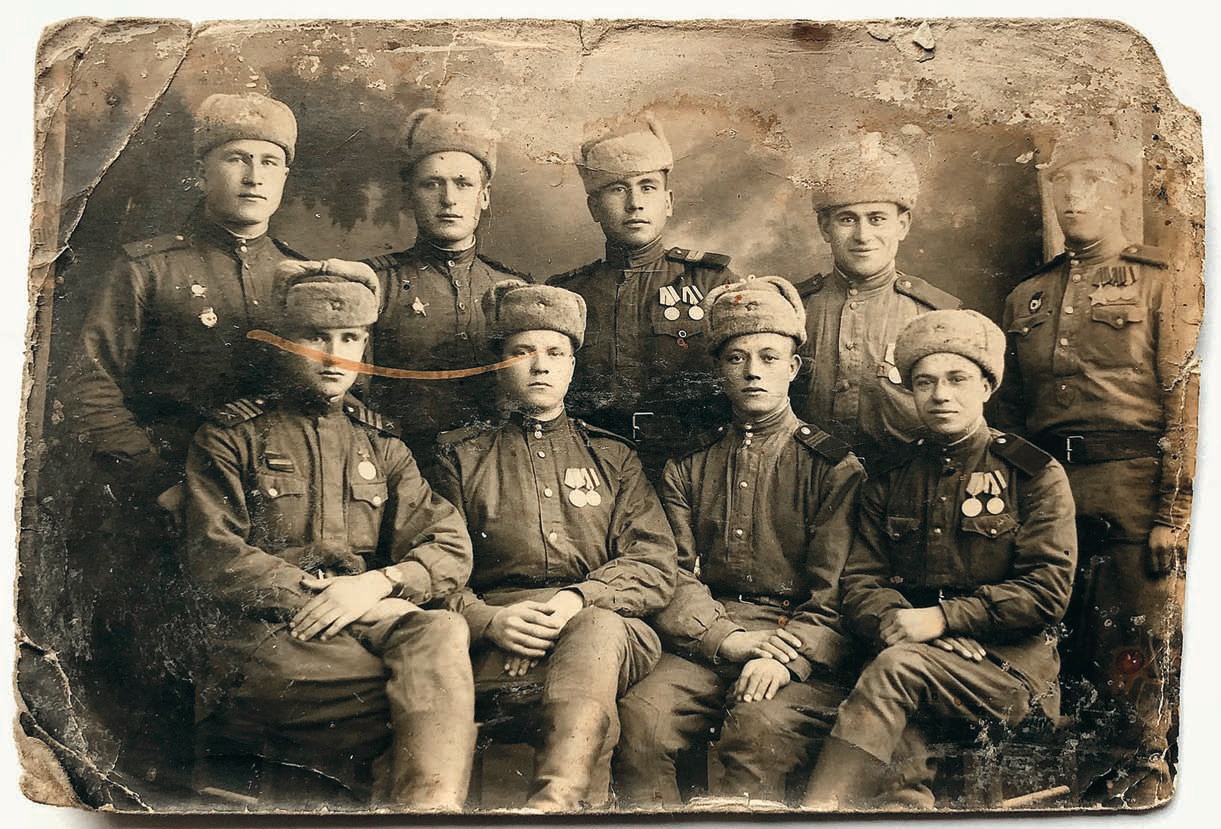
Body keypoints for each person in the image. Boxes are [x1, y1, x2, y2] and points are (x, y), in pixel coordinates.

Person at [59, 91, 309, 762]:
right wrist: (159, 482)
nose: (253, 176)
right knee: (156, 690)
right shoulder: (150, 267)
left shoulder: (299, 278)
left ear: (285, 178)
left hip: (267, 509)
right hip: (162, 502)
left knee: (260, 688)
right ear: (202, 171)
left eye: (269, 162)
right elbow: (88, 386)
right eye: (235, 159)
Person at [182, 259, 477, 809]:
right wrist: (325, 596)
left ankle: (429, 813)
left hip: (360, 616)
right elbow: (214, 554)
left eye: (350, 338)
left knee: (441, 630)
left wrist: (377, 585)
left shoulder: (382, 444)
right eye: (316, 337)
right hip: (264, 633)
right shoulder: (232, 436)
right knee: (417, 690)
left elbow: (448, 543)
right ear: (283, 343)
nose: (334, 355)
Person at [802, 310, 1077, 810]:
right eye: (924, 383)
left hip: (1009, 670)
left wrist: (944, 619)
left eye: (957, 379)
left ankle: (819, 813)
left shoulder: (1033, 473)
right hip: (912, 653)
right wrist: (908, 624)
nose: (940, 395)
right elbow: (861, 581)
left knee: (894, 671)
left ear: (987, 387)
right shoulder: (890, 476)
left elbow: (1046, 591)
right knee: (899, 719)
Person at [995, 125, 1195, 806]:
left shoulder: (1159, 283)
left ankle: (1146, 771)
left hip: (1133, 485)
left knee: (1136, 635)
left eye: (1091, 182)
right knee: (1061, 637)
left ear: (1120, 196)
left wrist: (1172, 513)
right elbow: (1011, 417)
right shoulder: (1025, 296)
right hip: (1051, 491)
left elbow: (1185, 403)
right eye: (1062, 182)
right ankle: (1072, 784)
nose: (1073, 196)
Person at [614, 276, 864, 807]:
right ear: (718, 371)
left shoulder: (834, 468)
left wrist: (786, 658)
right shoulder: (688, 465)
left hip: (795, 645)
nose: (753, 371)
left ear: (793, 368)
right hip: (708, 636)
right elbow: (670, 572)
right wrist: (724, 638)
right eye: (736, 358)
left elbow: (837, 592)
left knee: (757, 726)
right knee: (640, 718)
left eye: (769, 358)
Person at [432, 280, 678, 811]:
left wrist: (576, 599)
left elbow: (654, 562)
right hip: (499, 633)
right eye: (522, 351)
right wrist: (489, 622)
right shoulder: (460, 457)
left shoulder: (613, 457)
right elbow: (436, 567)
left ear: (572, 366)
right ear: (499, 363)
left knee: (596, 629)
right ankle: (568, 808)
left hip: (608, 623)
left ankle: (555, 805)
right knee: (590, 688)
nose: (540, 366)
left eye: (555, 352)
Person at [549, 114, 736, 475]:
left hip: (690, 464)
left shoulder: (712, 282)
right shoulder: (567, 294)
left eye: (647, 187)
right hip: (592, 465)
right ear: (594, 208)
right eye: (618, 189)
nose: (634, 203)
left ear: (668, 202)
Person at [365, 108, 529, 459]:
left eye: (463, 183)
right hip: (400, 464)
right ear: (409, 195)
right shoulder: (377, 284)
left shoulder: (514, 290)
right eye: (432, 183)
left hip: (495, 468)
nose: (449, 199)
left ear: (484, 196)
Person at [794, 133, 961, 472]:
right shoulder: (794, 309)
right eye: (847, 219)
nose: (862, 236)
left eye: (877, 218)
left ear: (902, 225)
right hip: (806, 485)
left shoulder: (937, 317)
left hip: (903, 487)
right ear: (824, 227)